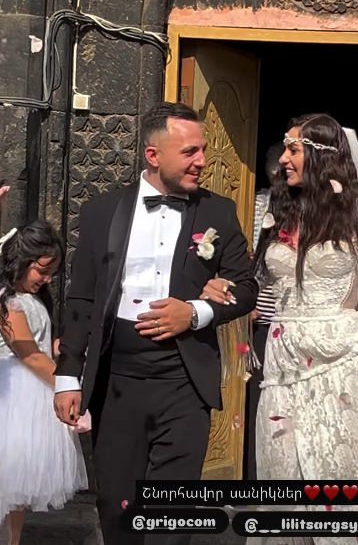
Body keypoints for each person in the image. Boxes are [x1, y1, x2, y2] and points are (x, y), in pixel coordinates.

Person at [204, 113, 358, 545]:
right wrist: (224, 289)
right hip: (283, 369)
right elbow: (257, 285)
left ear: (322, 157)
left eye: (293, 149)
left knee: (342, 481)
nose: (283, 159)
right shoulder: (276, 217)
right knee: (285, 480)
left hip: (343, 367)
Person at [53, 102, 258, 545]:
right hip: (117, 380)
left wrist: (196, 312)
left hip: (185, 381)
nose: (201, 161)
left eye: (203, 150)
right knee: (117, 507)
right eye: (189, 152)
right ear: (153, 155)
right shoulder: (101, 211)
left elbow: (245, 287)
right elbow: (82, 297)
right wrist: (67, 376)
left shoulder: (219, 212)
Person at [0, 221, 88, 545]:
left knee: (17, 488)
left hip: (33, 397)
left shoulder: (34, 299)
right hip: (12, 396)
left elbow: (42, 347)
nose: (47, 279)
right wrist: (67, 384)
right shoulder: (8, 302)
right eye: (42, 270)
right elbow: (30, 356)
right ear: (20, 261)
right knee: (7, 478)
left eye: (52, 272)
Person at [244, 142, 283, 480]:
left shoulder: (314, 208)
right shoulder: (255, 205)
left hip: (296, 319)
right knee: (257, 397)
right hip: (258, 316)